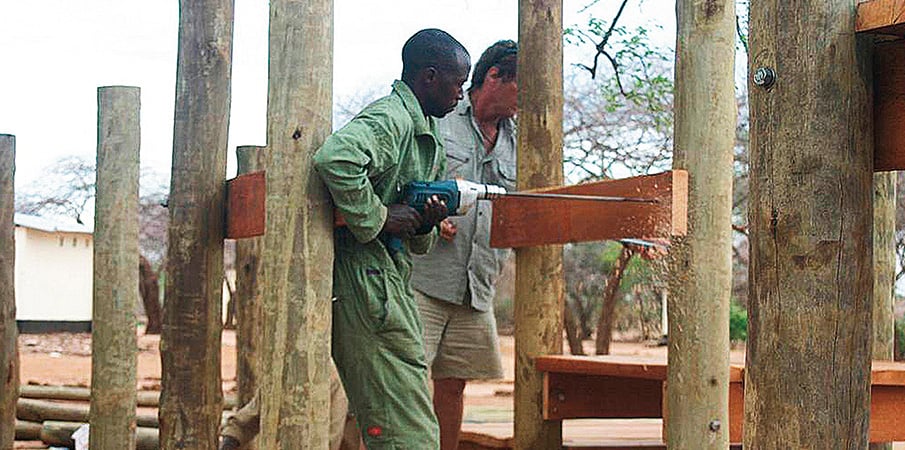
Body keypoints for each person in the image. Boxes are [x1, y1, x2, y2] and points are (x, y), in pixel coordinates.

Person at [313, 29, 471, 449]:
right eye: (458, 83)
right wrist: (379, 218)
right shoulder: (392, 118)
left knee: (408, 413)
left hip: (390, 277)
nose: (461, 94)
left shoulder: (429, 136)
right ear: (430, 77)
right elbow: (336, 158)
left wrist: (423, 222)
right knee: (405, 429)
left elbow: (415, 241)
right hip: (365, 281)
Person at [409, 40, 518, 450]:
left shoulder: (521, 140)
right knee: (406, 386)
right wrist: (429, 218)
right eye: (521, 87)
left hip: (478, 286)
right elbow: (407, 180)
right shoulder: (441, 118)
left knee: (453, 386)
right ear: (493, 77)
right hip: (425, 280)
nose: (526, 100)